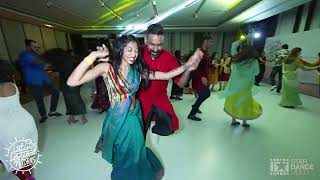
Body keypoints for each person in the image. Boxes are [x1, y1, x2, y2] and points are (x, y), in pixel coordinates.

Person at [67, 35, 202, 180]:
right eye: (129, 50)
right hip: (119, 120)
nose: (134, 54)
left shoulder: (137, 70)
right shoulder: (107, 68)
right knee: (125, 151)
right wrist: (93, 55)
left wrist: (188, 65)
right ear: (120, 50)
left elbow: (166, 75)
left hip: (134, 118)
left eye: (136, 50)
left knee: (135, 150)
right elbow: (72, 81)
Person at [138, 24, 197, 136]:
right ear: (145, 40)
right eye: (152, 44)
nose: (155, 49)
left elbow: (180, 84)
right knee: (139, 133)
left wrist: (189, 69)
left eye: (159, 45)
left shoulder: (169, 57)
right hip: (140, 100)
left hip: (160, 99)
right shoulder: (137, 54)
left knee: (169, 126)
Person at [0, 60, 38, 180]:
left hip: (4, 124)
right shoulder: (12, 85)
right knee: (23, 154)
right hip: (24, 121)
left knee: (5, 149)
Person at [19, 39, 62, 123]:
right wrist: (52, 59)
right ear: (28, 47)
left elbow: (46, 65)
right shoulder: (24, 55)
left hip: (44, 79)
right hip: (33, 81)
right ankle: (43, 115)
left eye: (38, 47)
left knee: (56, 92)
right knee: (39, 99)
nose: (37, 48)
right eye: (34, 47)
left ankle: (52, 112)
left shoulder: (36, 54)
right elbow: (39, 62)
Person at [219, 45, 262, 128]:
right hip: (246, 85)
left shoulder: (237, 60)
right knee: (245, 101)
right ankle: (244, 121)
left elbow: (232, 69)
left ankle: (233, 120)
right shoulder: (254, 61)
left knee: (234, 100)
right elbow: (257, 72)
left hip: (235, 85)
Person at [43, 48, 88, 124]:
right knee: (77, 100)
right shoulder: (67, 60)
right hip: (71, 82)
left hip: (64, 84)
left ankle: (71, 118)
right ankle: (82, 118)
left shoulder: (58, 62)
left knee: (68, 101)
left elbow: (56, 71)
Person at [187, 37, 211, 121]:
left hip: (203, 77)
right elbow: (194, 66)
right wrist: (202, 77)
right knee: (205, 94)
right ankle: (192, 113)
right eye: (210, 41)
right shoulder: (199, 53)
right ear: (205, 41)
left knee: (204, 94)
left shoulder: (206, 53)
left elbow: (205, 65)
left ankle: (195, 107)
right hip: (199, 78)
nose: (211, 44)